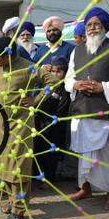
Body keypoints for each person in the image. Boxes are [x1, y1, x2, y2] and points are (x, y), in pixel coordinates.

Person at [0, 36, 58, 219]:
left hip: (20, 125)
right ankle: (12, 199)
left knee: (18, 166)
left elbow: (53, 81)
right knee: (2, 163)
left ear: (8, 55)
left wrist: (36, 100)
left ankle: (19, 209)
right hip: (0, 123)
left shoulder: (27, 66)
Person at [65, 7, 109, 209]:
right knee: (83, 153)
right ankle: (85, 187)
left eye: (96, 24)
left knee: (107, 154)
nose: (93, 28)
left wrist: (102, 87)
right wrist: (76, 85)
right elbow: (68, 78)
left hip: (104, 111)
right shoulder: (77, 49)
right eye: (89, 24)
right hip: (81, 109)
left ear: (104, 26)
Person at [35, 55, 71, 186]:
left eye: (59, 72)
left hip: (54, 128)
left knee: (51, 156)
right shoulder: (46, 87)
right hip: (40, 126)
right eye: (53, 72)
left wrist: (49, 124)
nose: (55, 75)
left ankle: (49, 180)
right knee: (39, 153)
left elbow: (61, 111)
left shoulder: (65, 90)